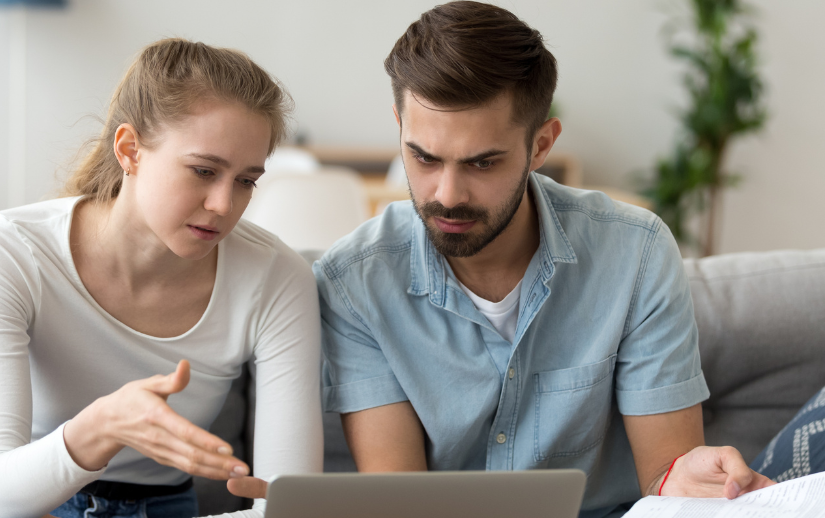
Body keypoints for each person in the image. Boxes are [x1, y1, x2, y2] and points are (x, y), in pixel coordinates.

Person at [314, 3, 778, 517]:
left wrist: (688, 481)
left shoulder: (636, 252)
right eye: (424, 157)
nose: (447, 194)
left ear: (541, 145)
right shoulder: (353, 281)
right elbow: (401, 504)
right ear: (400, 126)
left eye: (482, 162)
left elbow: (663, 479)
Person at [0, 38, 322, 518]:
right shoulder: (10, 249)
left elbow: (291, 506)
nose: (223, 205)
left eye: (245, 181)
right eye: (202, 170)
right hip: (30, 498)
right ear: (130, 149)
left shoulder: (277, 278)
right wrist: (104, 425)